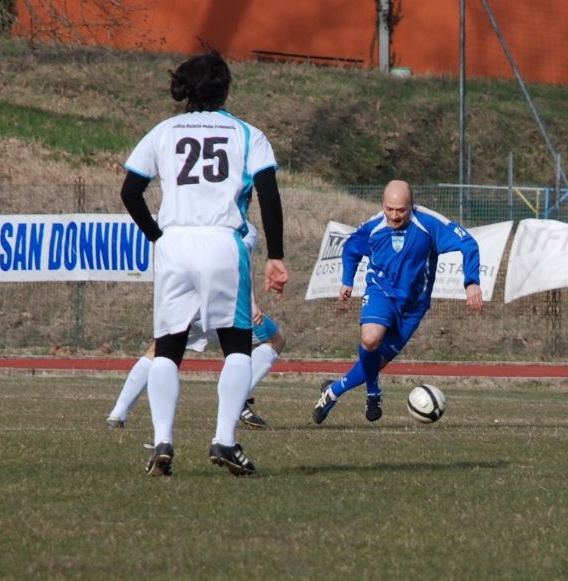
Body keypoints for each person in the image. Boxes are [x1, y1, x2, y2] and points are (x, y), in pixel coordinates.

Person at [120, 51, 288, 477]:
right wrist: (276, 256)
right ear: (225, 88)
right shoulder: (248, 134)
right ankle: (225, 441)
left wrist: (158, 235)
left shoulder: (163, 131)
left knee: (168, 348)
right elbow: (268, 194)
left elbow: (130, 191)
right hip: (221, 243)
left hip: (174, 245)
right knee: (236, 346)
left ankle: (162, 440)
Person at [313, 179, 482, 424]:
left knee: (376, 362)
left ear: (412, 205)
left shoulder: (429, 224)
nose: (394, 215)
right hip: (381, 291)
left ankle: (333, 391)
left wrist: (472, 281)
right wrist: (347, 280)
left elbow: (468, 243)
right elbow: (351, 247)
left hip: (413, 306)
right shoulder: (374, 226)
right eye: (389, 209)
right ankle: (372, 392)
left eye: (401, 210)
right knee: (370, 339)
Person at [106, 224, 287, 430]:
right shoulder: (244, 228)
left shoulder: (184, 222)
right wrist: (251, 301)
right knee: (275, 339)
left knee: (158, 351)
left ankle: (118, 413)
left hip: (187, 303)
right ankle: (236, 400)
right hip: (227, 306)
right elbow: (240, 265)